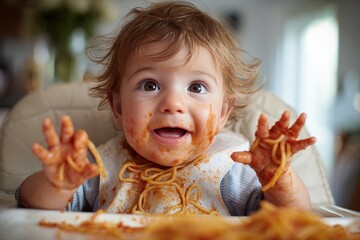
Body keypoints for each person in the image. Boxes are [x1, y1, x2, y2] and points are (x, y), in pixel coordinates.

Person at [16, 1, 316, 216]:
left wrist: (278, 178)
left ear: (224, 112)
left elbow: (293, 219)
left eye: (196, 88)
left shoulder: (233, 170)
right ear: (118, 106)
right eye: (150, 85)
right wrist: (55, 183)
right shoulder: (99, 168)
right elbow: (35, 208)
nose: (173, 104)